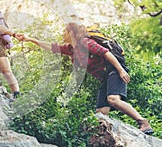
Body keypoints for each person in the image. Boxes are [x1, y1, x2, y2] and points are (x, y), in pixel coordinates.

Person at [20, 22, 154, 134]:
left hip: (113, 70)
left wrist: (120, 70)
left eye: (64, 31)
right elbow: (51, 47)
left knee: (113, 99)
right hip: (104, 77)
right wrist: (30, 39)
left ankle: (143, 123)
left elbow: (106, 53)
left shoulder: (85, 42)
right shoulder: (71, 49)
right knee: (101, 113)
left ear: (71, 33)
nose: (62, 34)